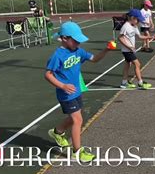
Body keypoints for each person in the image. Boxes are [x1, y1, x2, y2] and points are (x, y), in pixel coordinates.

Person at [45, 21, 111, 162]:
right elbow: (48, 74)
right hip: (66, 94)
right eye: (75, 40)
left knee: (73, 118)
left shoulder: (78, 51)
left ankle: (57, 132)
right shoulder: (58, 56)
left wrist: (106, 50)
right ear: (64, 38)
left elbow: (94, 59)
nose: (78, 43)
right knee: (77, 119)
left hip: (77, 91)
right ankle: (78, 152)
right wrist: (62, 86)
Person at [118, 9, 153, 90]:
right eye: (138, 20)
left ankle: (124, 83)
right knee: (137, 64)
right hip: (127, 51)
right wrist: (129, 47)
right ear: (132, 18)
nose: (138, 22)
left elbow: (140, 36)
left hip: (130, 50)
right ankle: (140, 83)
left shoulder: (134, 26)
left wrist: (150, 37)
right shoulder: (125, 26)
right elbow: (120, 38)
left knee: (128, 65)